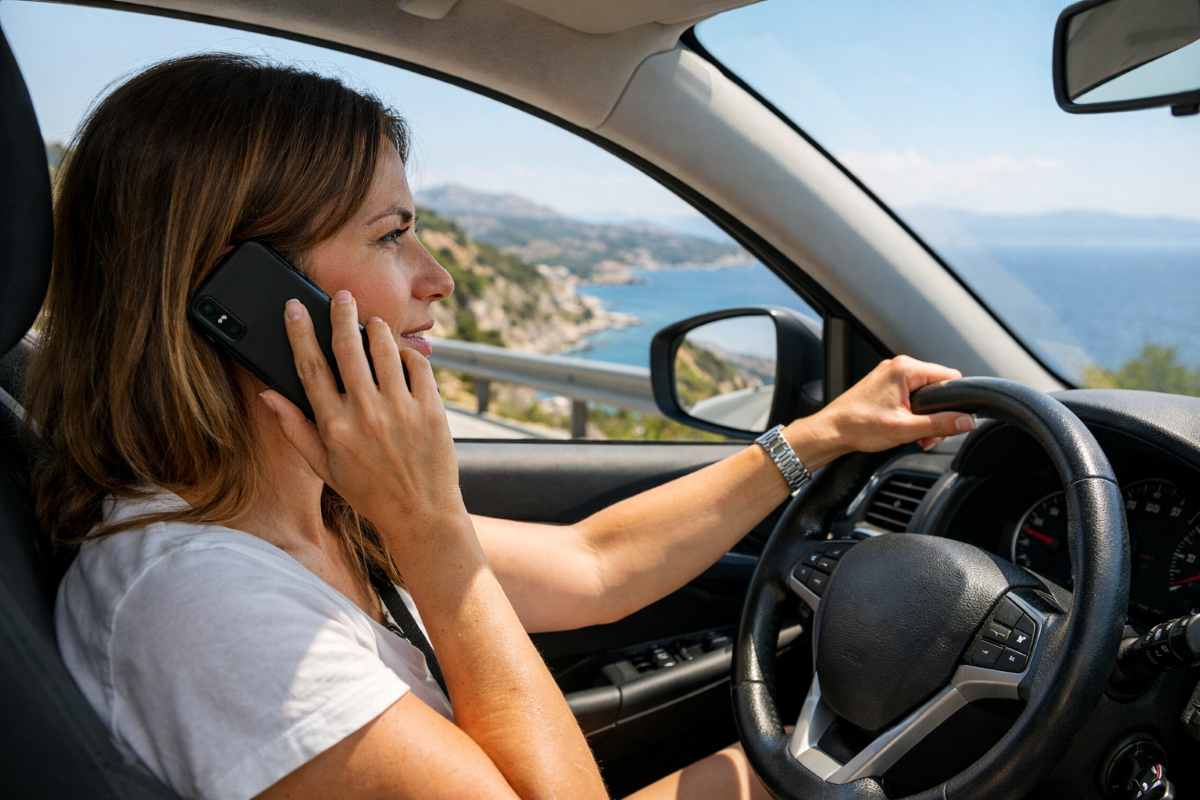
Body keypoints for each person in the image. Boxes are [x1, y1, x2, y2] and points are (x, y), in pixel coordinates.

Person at [27, 54, 976, 800]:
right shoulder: (201, 606)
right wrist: (429, 529)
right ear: (243, 295)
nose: (437, 278)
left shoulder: (296, 513)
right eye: (392, 234)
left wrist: (819, 436)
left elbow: (599, 566)